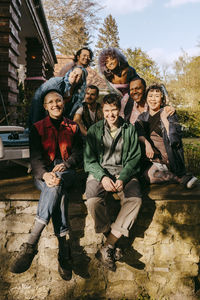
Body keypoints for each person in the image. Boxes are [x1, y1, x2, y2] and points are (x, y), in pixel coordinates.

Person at [10, 90, 83, 281]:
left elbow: (78, 154)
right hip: (43, 173)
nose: (55, 104)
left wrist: (66, 164)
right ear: (45, 106)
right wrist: (44, 174)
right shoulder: (37, 127)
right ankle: (63, 251)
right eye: (50, 102)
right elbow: (34, 158)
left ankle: (31, 243)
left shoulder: (73, 127)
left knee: (58, 182)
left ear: (63, 103)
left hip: (67, 172)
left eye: (58, 100)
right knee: (56, 190)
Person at [84, 94, 142, 272]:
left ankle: (107, 246)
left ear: (119, 110)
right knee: (93, 200)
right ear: (103, 111)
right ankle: (114, 242)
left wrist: (123, 177)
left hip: (124, 172)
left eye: (114, 110)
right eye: (107, 110)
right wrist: (102, 177)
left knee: (135, 200)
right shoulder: (94, 130)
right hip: (100, 172)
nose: (110, 114)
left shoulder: (129, 129)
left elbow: (134, 158)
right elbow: (89, 160)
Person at [135, 83, 198, 188]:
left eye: (157, 96)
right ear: (146, 98)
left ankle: (180, 179)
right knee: (144, 176)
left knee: (148, 176)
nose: (153, 99)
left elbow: (175, 139)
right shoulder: (142, 117)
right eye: (150, 96)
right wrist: (147, 144)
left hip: (167, 159)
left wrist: (165, 120)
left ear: (162, 99)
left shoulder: (168, 113)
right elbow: (138, 132)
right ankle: (182, 178)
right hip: (148, 158)